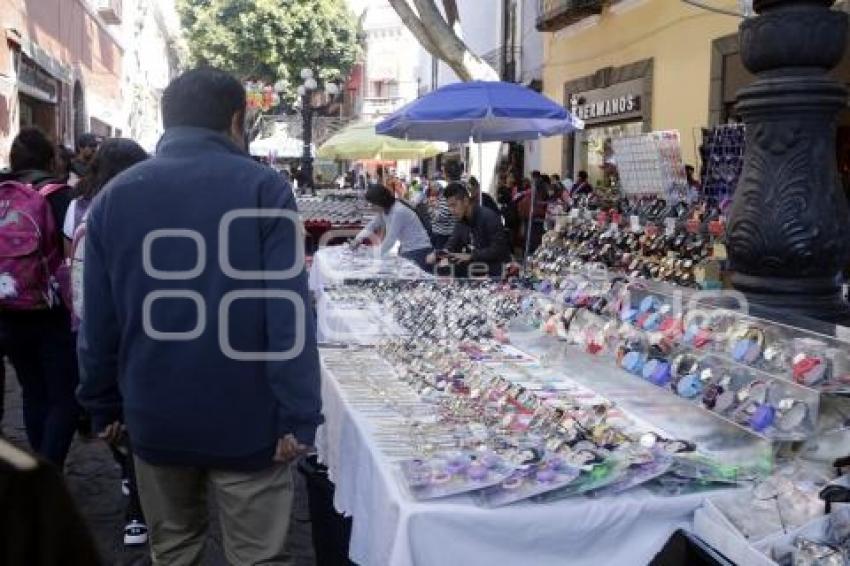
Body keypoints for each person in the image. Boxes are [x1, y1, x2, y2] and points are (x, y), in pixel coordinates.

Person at [77, 68, 323, 565]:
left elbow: (98, 322)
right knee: (258, 557)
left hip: (153, 416)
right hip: (250, 421)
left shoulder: (113, 198)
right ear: (238, 120)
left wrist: (102, 405)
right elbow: (287, 310)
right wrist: (300, 413)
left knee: (173, 550)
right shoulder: (263, 188)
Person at [62, 138, 150, 547]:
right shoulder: (143, 210)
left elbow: (70, 266)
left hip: (89, 322)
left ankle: (133, 487)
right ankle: (137, 501)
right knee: (134, 406)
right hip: (137, 326)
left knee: (113, 415)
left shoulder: (81, 207)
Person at [0, 127, 79, 468]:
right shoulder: (60, 197)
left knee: (33, 391)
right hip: (52, 312)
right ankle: (48, 474)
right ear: (51, 160)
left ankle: (40, 469)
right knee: (63, 397)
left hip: (7, 308)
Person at [427, 182, 511, 278]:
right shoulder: (461, 221)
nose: (451, 210)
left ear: (466, 201)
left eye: (454, 205)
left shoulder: (489, 217)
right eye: (449, 206)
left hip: (496, 271)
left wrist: (471, 256)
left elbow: (498, 250)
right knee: (441, 270)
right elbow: (452, 244)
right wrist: (439, 254)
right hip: (477, 269)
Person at [352, 184, 433, 271]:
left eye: (372, 204)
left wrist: (373, 255)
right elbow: (372, 225)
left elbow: (390, 239)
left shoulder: (398, 211)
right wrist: (357, 239)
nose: (371, 207)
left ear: (380, 201)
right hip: (408, 249)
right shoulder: (385, 211)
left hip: (419, 250)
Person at [429, 180, 455, 250]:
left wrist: (432, 208)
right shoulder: (438, 198)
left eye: (432, 187)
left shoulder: (444, 198)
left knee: (438, 255)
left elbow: (441, 217)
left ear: (438, 188)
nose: (430, 189)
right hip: (438, 232)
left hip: (442, 233)